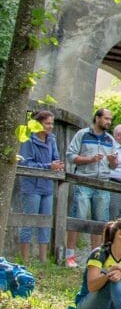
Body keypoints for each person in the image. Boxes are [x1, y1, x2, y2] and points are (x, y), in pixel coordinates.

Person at [64, 108, 118, 268]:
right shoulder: (82, 134)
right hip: (83, 181)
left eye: (110, 119)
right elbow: (70, 155)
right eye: (106, 119)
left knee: (101, 222)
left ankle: (96, 257)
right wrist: (90, 159)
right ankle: (70, 255)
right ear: (97, 118)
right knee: (78, 217)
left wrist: (113, 160)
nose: (109, 122)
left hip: (103, 183)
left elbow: (114, 166)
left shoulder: (110, 140)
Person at [18, 110, 64, 262]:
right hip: (31, 185)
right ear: (38, 123)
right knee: (28, 221)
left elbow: (55, 158)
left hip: (47, 185)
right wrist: (48, 166)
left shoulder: (52, 139)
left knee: (45, 222)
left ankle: (43, 260)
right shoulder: (28, 139)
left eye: (52, 123)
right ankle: (24, 260)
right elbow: (26, 163)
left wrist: (58, 165)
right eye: (48, 123)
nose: (51, 126)